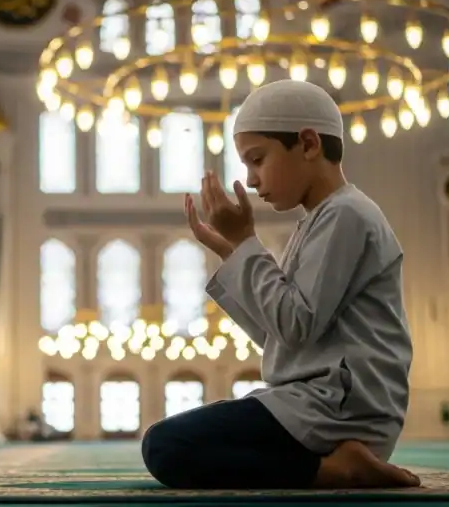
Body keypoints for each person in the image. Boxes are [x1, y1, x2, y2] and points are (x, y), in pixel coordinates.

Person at [141, 79, 420, 490]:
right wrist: (233, 254)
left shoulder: (348, 216)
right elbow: (282, 337)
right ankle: (332, 465)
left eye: (257, 159)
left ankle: (336, 470)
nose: (252, 180)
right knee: (172, 442)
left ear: (308, 144)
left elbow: (293, 324)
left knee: (166, 446)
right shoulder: (324, 219)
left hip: (338, 408)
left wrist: (244, 244)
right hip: (316, 403)